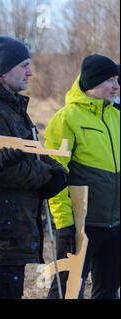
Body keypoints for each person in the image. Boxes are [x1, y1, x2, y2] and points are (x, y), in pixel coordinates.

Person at [0, 35, 68, 299]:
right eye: (24, 65)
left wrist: (56, 169)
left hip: (12, 227)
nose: (30, 72)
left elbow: (30, 152)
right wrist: (46, 176)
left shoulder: (11, 106)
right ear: (3, 69)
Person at [45, 54, 120, 299]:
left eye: (117, 79)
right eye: (110, 80)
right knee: (67, 292)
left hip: (115, 224)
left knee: (108, 291)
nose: (116, 86)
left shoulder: (116, 116)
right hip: (81, 226)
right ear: (92, 82)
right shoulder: (65, 118)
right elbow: (53, 176)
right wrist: (65, 224)